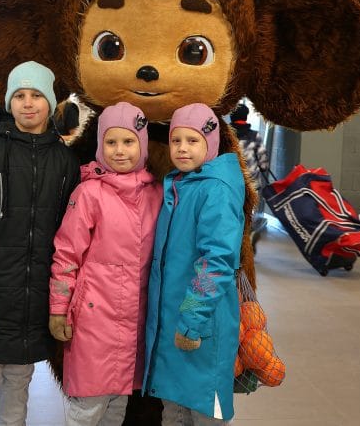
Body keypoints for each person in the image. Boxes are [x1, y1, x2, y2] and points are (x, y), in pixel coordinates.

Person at [0, 60, 81, 426]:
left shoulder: (65, 161)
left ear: (50, 103)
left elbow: (70, 235)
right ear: (10, 103)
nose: (28, 103)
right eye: (19, 95)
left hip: (36, 294)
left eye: (36, 94)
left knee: (19, 379)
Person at [49, 101, 163, 426]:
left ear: (142, 145)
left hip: (135, 320)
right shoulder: (89, 193)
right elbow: (66, 254)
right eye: (111, 142)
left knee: (116, 405)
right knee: (88, 405)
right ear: (100, 145)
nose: (119, 150)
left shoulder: (156, 193)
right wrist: (58, 307)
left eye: (128, 141)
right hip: (94, 319)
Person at [143, 103, 245, 425]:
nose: (182, 148)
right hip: (176, 324)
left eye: (192, 140)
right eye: (176, 140)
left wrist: (192, 319)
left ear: (210, 143)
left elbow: (216, 262)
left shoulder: (216, 190)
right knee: (174, 410)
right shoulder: (182, 184)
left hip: (200, 326)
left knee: (202, 412)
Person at [230, 101, 269, 248]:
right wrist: (263, 168)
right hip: (251, 182)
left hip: (230, 181)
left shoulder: (226, 135)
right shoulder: (254, 136)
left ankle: (233, 237)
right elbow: (263, 163)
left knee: (231, 210)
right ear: (245, 117)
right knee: (248, 210)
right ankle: (247, 236)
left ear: (232, 117)